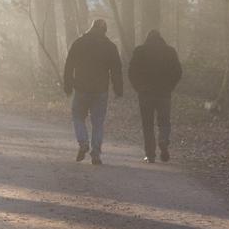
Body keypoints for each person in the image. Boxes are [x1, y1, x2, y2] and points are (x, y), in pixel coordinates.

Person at [63, 19, 123, 165]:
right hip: (100, 90)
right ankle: (96, 153)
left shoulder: (79, 43)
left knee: (78, 117)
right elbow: (116, 70)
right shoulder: (110, 47)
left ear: (91, 28)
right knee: (98, 123)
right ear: (105, 30)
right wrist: (118, 88)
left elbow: (69, 65)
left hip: (81, 88)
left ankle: (83, 142)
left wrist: (68, 85)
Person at [127, 29, 183, 163]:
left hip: (145, 94)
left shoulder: (139, 51)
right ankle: (163, 139)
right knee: (164, 121)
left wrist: (138, 87)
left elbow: (131, 72)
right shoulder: (170, 51)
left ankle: (150, 154)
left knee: (147, 124)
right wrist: (170, 86)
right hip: (164, 93)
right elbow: (178, 72)